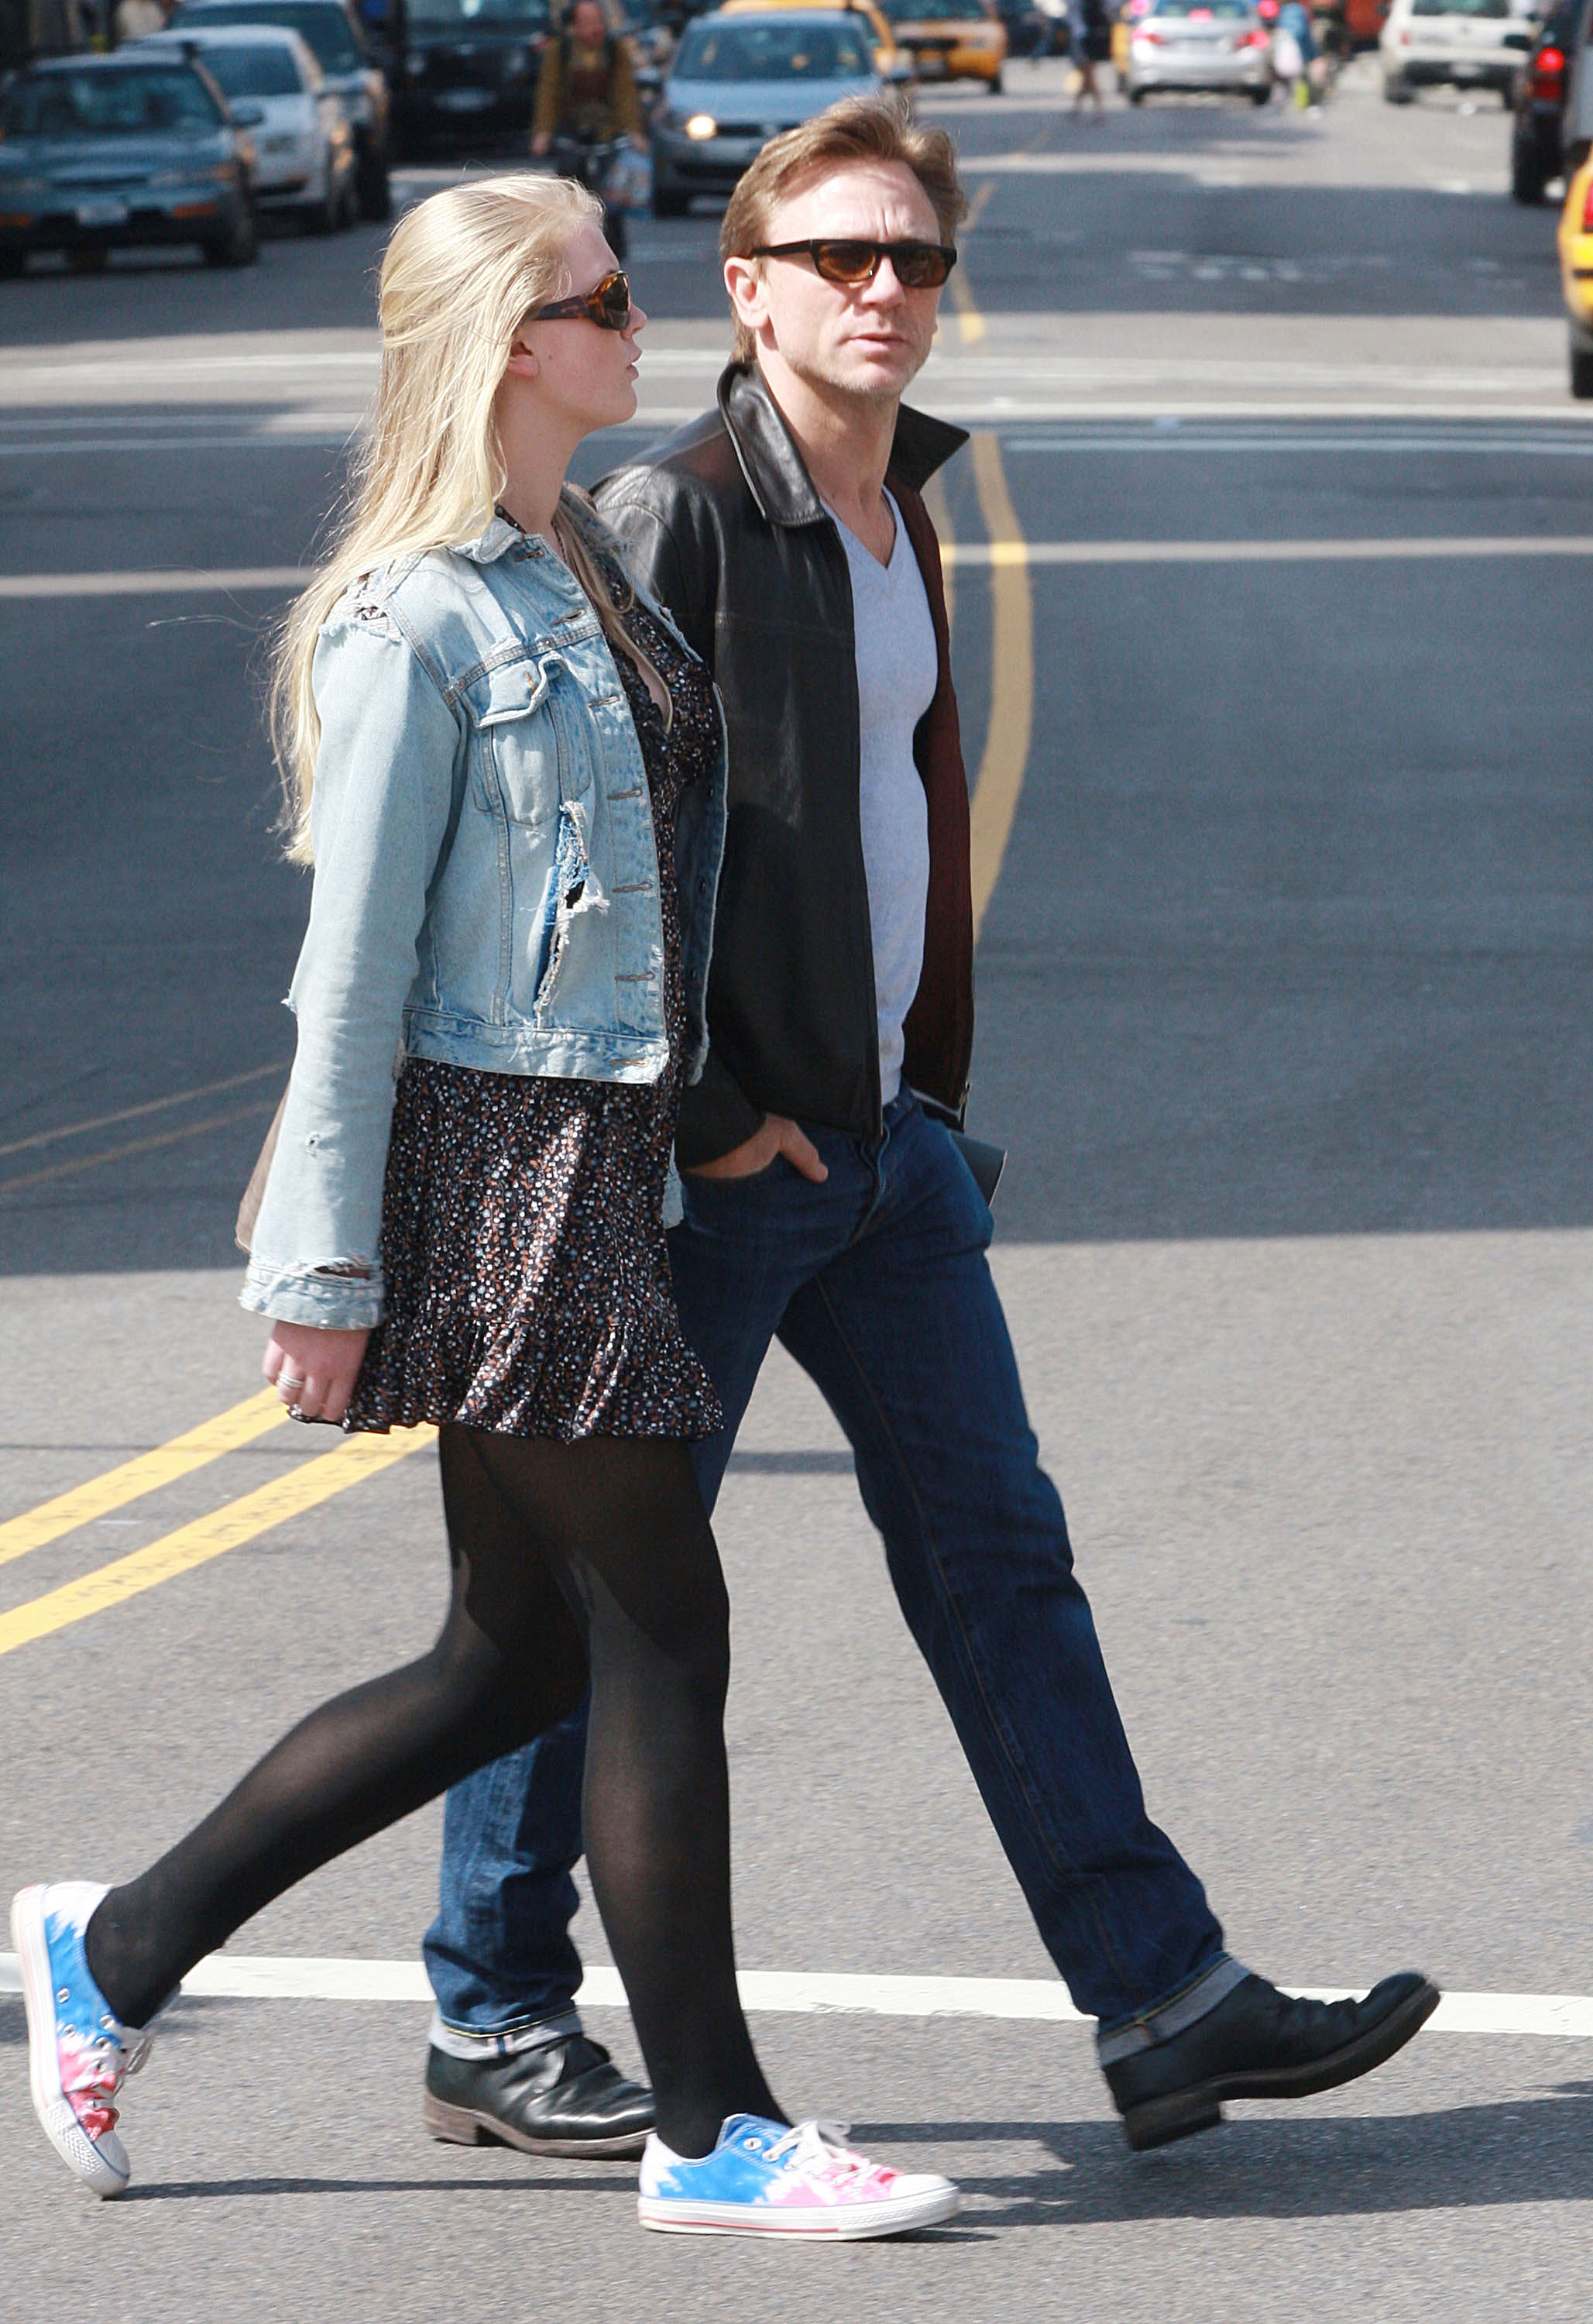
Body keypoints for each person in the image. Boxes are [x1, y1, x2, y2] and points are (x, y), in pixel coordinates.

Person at [416, 98, 1442, 2168]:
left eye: (916, 263)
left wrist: (922, 1105)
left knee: (1004, 1561)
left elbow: (888, 827)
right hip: (712, 1175)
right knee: (573, 1610)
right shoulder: (675, 511)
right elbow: (569, 865)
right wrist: (703, 1117)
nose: (884, 292)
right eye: (841, 259)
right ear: (748, 286)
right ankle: (496, 2012)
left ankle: (1161, 1997)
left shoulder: (910, 513)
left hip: (879, 1159)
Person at [10, 170, 958, 2244]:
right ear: (508, 347)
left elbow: (645, 909)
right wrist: (325, 1262)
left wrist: (706, 1110)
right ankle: (712, 2129)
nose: (639, 325)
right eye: (602, 296)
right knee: (662, 1626)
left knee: (509, 1660)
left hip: (601, 1162)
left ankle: (115, 1945)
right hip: (494, 1185)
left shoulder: (577, 568)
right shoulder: (418, 613)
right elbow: (349, 970)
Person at [531, 0, 646, 260]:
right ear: (574, 27)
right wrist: (543, 132)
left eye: (598, 23)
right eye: (587, 24)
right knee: (568, 189)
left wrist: (633, 130)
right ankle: (569, 245)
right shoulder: (559, 54)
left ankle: (614, 248)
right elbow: (548, 94)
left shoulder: (616, 51)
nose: (594, 30)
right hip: (571, 130)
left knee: (612, 191)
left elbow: (625, 93)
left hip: (607, 130)